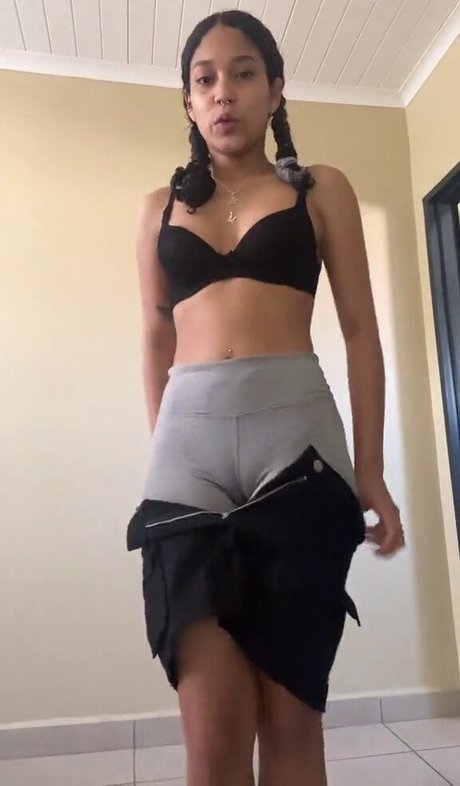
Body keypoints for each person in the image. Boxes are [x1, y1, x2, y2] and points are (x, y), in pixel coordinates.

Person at [126, 10, 405, 786]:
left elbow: (361, 332)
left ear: (276, 90)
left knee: (290, 729)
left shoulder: (321, 190)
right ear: (189, 102)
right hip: (187, 460)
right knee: (213, 742)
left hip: (299, 450)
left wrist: (372, 471)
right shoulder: (156, 209)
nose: (224, 92)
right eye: (205, 79)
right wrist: (162, 449)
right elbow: (154, 336)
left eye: (244, 74)